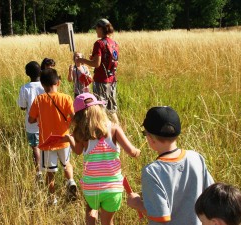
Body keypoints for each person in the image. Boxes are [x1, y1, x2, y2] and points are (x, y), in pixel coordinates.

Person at [127, 106, 214, 225]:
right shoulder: (196, 157)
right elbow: (212, 195)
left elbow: (161, 218)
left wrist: (137, 204)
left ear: (151, 139)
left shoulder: (152, 172)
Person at [65, 92, 141, 225]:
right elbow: (132, 152)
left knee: (90, 210)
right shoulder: (114, 129)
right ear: (99, 109)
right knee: (108, 222)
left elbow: (77, 152)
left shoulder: (79, 133)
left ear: (78, 116)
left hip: (91, 186)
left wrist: (70, 140)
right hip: (113, 187)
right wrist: (137, 151)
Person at [28, 68, 77, 204]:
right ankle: (71, 181)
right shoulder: (66, 98)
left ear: (42, 85)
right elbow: (74, 118)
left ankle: (52, 198)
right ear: (58, 83)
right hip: (64, 139)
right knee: (66, 163)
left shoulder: (39, 100)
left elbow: (31, 120)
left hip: (46, 142)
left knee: (50, 173)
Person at [75, 18, 119, 124]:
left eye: (96, 28)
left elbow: (96, 64)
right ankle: (118, 129)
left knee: (100, 108)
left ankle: (103, 132)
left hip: (101, 80)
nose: (95, 30)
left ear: (100, 28)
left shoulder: (99, 43)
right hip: (112, 80)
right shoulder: (114, 43)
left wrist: (82, 60)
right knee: (111, 108)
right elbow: (108, 60)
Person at [17, 61, 45, 183]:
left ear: (27, 73)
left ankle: (38, 172)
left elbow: (22, 106)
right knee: (46, 147)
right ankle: (49, 168)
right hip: (47, 122)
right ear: (41, 72)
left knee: (35, 147)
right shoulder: (46, 85)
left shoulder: (25, 88)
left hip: (32, 124)